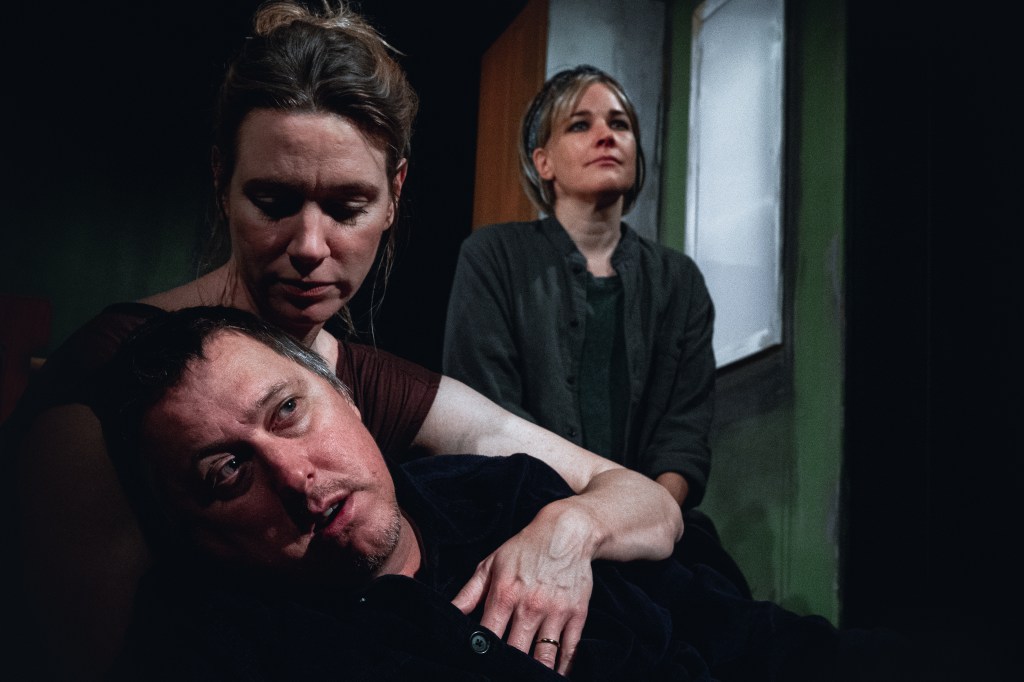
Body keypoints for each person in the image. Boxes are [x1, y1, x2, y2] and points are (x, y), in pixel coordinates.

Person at [3, 5, 680, 679]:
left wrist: (567, 532)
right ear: (221, 180)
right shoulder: (101, 386)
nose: (309, 246)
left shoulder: (369, 377)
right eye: (274, 202)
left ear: (394, 195)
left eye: (347, 207)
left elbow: (644, 501)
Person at [100, 305, 910, 681]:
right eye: (226, 474)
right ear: (193, 533)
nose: (295, 477)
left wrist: (573, 526)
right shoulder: (216, 648)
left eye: (288, 411)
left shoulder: (503, 493)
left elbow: (757, 642)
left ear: (347, 396)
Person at [442, 65, 746, 590]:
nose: (607, 135)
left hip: (651, 537)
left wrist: (638, 519)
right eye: (580, 125)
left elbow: (683, 436)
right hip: (523, 521)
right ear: (543, 162)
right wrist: (575, 522)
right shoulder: (492, 256)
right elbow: (487, 412)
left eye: (619, 123)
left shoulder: (679, 281)